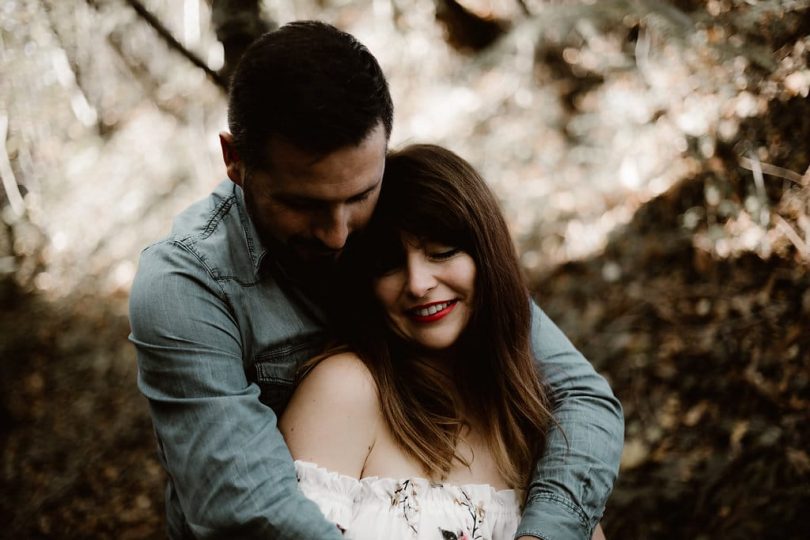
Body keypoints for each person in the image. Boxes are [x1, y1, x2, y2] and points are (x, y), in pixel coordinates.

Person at [128, 20, 623, 540]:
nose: (338, 234)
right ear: (236, 160)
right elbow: (247, 507)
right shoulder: (186, 285)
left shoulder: (404, 221)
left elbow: (581, 397)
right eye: (304, 204)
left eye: (360, 195)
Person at [279, 143, 608, 539]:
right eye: (389, 265)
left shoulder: (537, 429)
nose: (418, 284)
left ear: (488, 258)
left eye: (442, 252)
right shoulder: (346, 389)